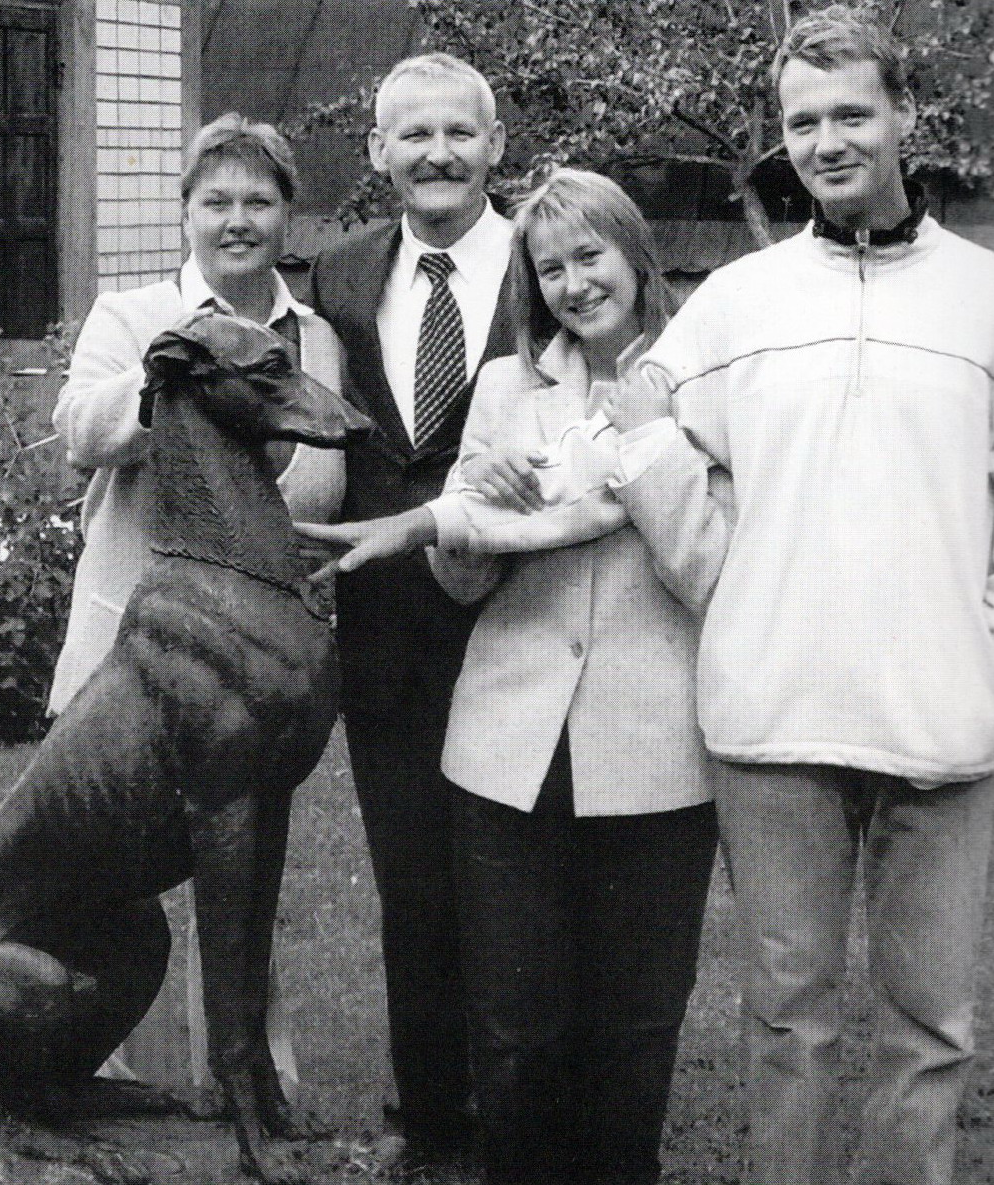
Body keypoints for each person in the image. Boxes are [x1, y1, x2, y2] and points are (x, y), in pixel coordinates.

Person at [604, 8, 994, 1184]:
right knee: (787, 1020)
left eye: (852, 114)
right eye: (803, 121)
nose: (826, 142)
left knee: (931, 1026)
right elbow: (643, 427)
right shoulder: (738, 301)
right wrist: (726, 585)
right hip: (775, 720)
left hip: (938, 722)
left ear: (905, 115)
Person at [302, 168, 726, 1185]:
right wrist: (469, 512)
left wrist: (644, 441)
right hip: (507, 753)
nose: (576, 283)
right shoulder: (504, 387)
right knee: (513, 1026)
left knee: (632, 1026)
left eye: (590, 256)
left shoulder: (710, 387)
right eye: (551, 268)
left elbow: (710, 571)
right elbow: (460, 584)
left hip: (656, 754)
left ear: (635, 256)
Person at [49, 112, 345, 1097]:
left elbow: (319, 491)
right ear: (185, 214)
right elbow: (81, 430)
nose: (237, 220)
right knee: (115, 892)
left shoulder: (315, 341)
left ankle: (248, 1076)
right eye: (215, 200)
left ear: (287, 215)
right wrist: (176, 378)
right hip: (130, 666)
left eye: (259, 200)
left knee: (238, 868)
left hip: (251, 672)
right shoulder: (132, 318)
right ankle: (118, 1080)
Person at [304, 52, 517, 1166]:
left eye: (459, 133)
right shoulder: (340, 273)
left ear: (495, 146)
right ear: (378, 150)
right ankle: (431, 1119)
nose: (438, 154)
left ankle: (527, 1111)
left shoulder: (547, 264)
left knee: (518, 880)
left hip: (523, 617)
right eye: (414, 135)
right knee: (412, 881)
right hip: (385, 629)